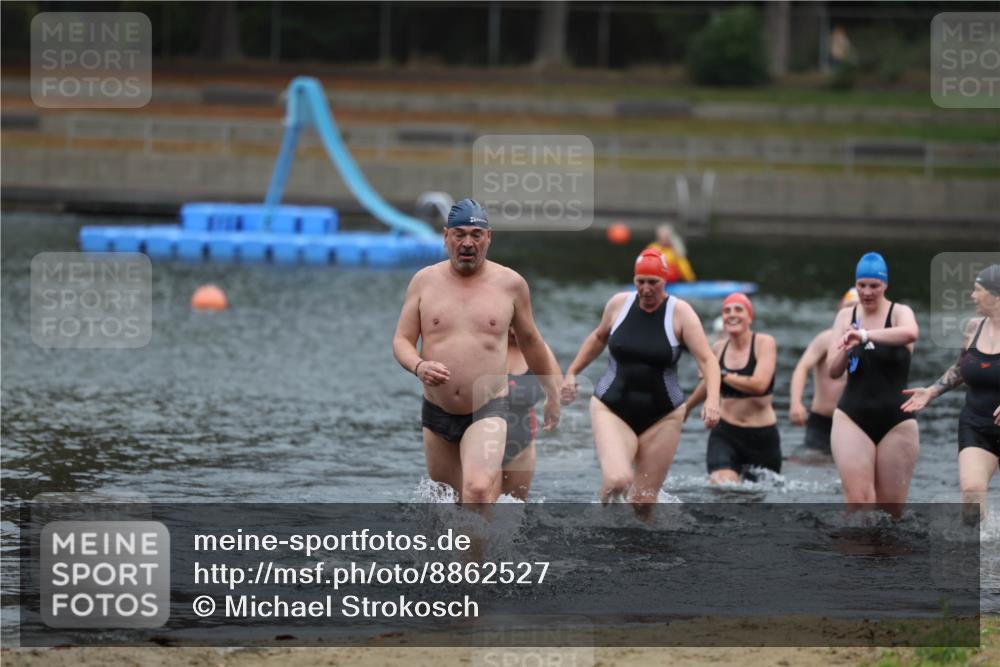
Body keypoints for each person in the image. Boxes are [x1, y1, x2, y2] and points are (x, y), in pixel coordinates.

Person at [392, 198, 562, 503]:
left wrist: (553, 395)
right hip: (437, 412)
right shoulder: (423, 282)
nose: (467, 242)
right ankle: (465, 552)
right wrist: (418, 366)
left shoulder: (511, 285)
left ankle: (479, 552)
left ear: (488, 238)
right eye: (460, 235)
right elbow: (402, 341)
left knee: (479, 491)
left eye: (475, 235)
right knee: (448, 503)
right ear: (446, 237)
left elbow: (532, 342)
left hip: (489, 409)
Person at [561, 249, 720, 519]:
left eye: (653, 282)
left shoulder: (681, 313)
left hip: (664, 416)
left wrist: (713, 400)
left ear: (665, 281)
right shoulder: (618, 304)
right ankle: (597, 527)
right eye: (640, 281)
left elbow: (708, 359)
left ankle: (639, 555)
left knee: (644, 503)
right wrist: (572, 372)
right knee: (618, 480)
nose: (645, 290)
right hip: (612, 408)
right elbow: (599, 337)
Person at [902, 264, 1000, 520]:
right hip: (976, 422)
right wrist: (932, 391)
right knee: (971, 492)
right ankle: (982, 551)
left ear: (996, 296)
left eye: (978, 290)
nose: (972, 296)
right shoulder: (973, 327)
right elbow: (961, 367)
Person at [828, 252, 919, 517]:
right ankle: (855, 556)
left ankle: (884, 558)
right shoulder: (846, 317)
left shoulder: (900, 312)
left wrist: (866, 335)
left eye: (874, 286)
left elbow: (911, 333)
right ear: (856, 285)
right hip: (852, 417)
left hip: (897, 421)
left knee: (891, 512)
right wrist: (847, 347)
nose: (867, 292)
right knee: (858, 504)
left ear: (885, 285)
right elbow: (832, 370)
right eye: (862, 285)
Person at [685, 292, 780, 483]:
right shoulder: (718, 348)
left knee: (758, 501)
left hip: (762, 436)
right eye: (726, 310)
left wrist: (721, 374)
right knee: (724, 486)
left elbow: (759, 385)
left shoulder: (764, 343)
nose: (732, 314)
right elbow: (707, 385)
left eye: (738, 309)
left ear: (749, 317)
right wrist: (686, 409)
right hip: (725, 434)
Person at [789, 288, 860, 455]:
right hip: (822, 421)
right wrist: (796, 403)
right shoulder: (826, 339)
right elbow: (802, 367)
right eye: (848, 307)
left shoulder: (872, 342)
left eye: (857, 308)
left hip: (856, 423)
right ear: (840, 308)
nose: (852, 313)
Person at [502, 327, 554, 500]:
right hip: (480, 443)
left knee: (512, 516)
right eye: (508, 324)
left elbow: (558, 388)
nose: (512, 330)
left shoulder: (538, 350)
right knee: (480, 509)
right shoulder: (481, 349)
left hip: (522, 445)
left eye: (517, 324)